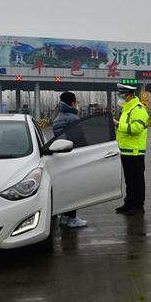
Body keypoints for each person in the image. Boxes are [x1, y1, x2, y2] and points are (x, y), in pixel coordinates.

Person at [52, 91, 88, 228]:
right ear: (72, 102)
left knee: (66, 187)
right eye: (76, 101)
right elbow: (79, 139)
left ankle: (64, 217)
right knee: (74, 188)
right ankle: (72, 218)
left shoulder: (59, 116)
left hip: (62, 155)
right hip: (73, 155)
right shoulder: (72, 118)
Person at [113, 83, 149, 215]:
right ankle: (129, 203)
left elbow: (136, 128)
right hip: (126, 151)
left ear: (129, 95)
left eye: (121, 95)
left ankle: (138, 206)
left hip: (135, 152)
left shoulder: (138, 109)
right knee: (129, 181)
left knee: (136, 181)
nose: (120, 98)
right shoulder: (127, 109)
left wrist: (118, 124)